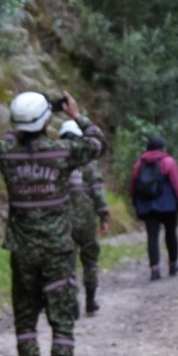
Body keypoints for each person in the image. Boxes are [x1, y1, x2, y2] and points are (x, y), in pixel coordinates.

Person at [0, 92, 105, 356]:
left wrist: (29, 115)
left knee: (25, 318)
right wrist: (75, 113)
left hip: (23, 251)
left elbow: (10, 135)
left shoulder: (5, 153)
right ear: (46, 120)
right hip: (58, 252)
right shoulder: (62, 151)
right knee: (62, 321)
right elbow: (98, 143)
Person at [59, 121, 110, 316]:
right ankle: (91, 300)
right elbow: (97, 192)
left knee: (67, 264)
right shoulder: (89, 163)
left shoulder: (57, 162)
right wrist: (104, 216)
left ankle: (72, 305)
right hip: (87, 222)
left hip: (63, 223)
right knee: (90, 262)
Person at [129, 135, 178, 281]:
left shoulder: (138, 164)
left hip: (147, 206)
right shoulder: (168, 162)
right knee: (171, 234)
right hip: (167, 205)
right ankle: (173, 264)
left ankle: (154, 268)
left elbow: (133, 186)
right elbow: (177, 184)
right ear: (162, 147)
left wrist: (135, 202)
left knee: (152, 237)